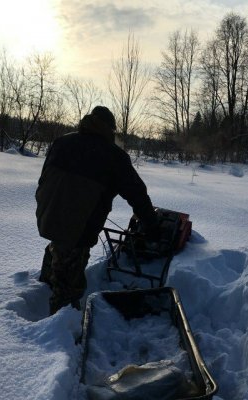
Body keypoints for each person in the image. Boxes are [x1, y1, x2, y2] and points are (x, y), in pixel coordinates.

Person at [35, 106, 158, 314]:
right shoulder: (113, 156)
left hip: (47, 215)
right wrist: (152, 225)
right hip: (78, 228)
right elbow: (137, 194)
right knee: (68, 288)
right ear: (110, 129)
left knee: (59, 248)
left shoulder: (62, 142)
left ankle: (44, 288)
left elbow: (43, 179)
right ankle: (59, 334)